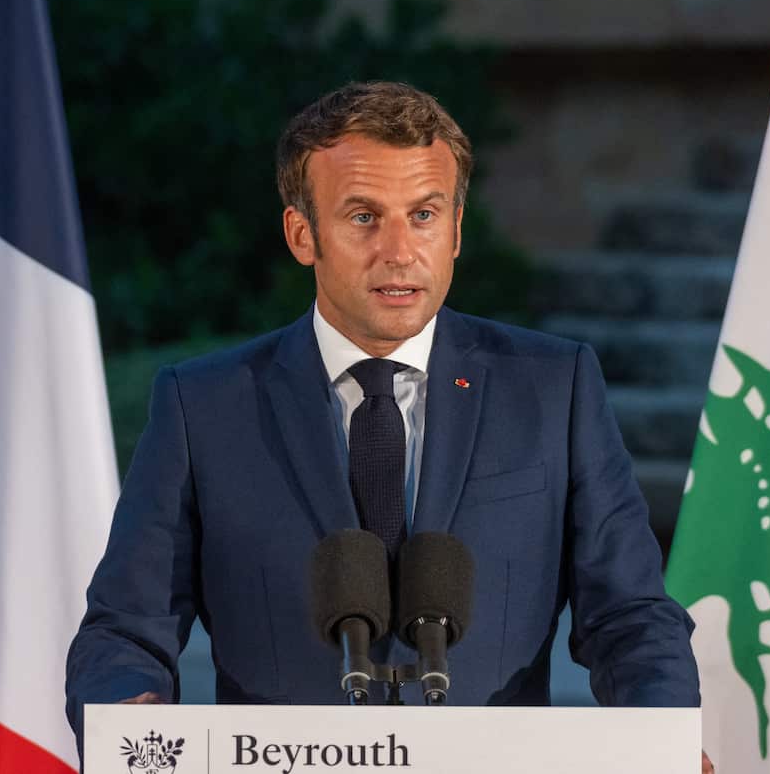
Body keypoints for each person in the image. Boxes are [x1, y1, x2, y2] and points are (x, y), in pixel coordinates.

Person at [66, 81, 710, 771]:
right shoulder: (203, 406)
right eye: (364, 217)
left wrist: (662, 737)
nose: (399, 251)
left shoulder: (555, 388)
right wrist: (131, 721)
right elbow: (124, 632)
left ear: (457, 230)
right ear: (301, 234)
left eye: (424, 214)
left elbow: (631, 617)